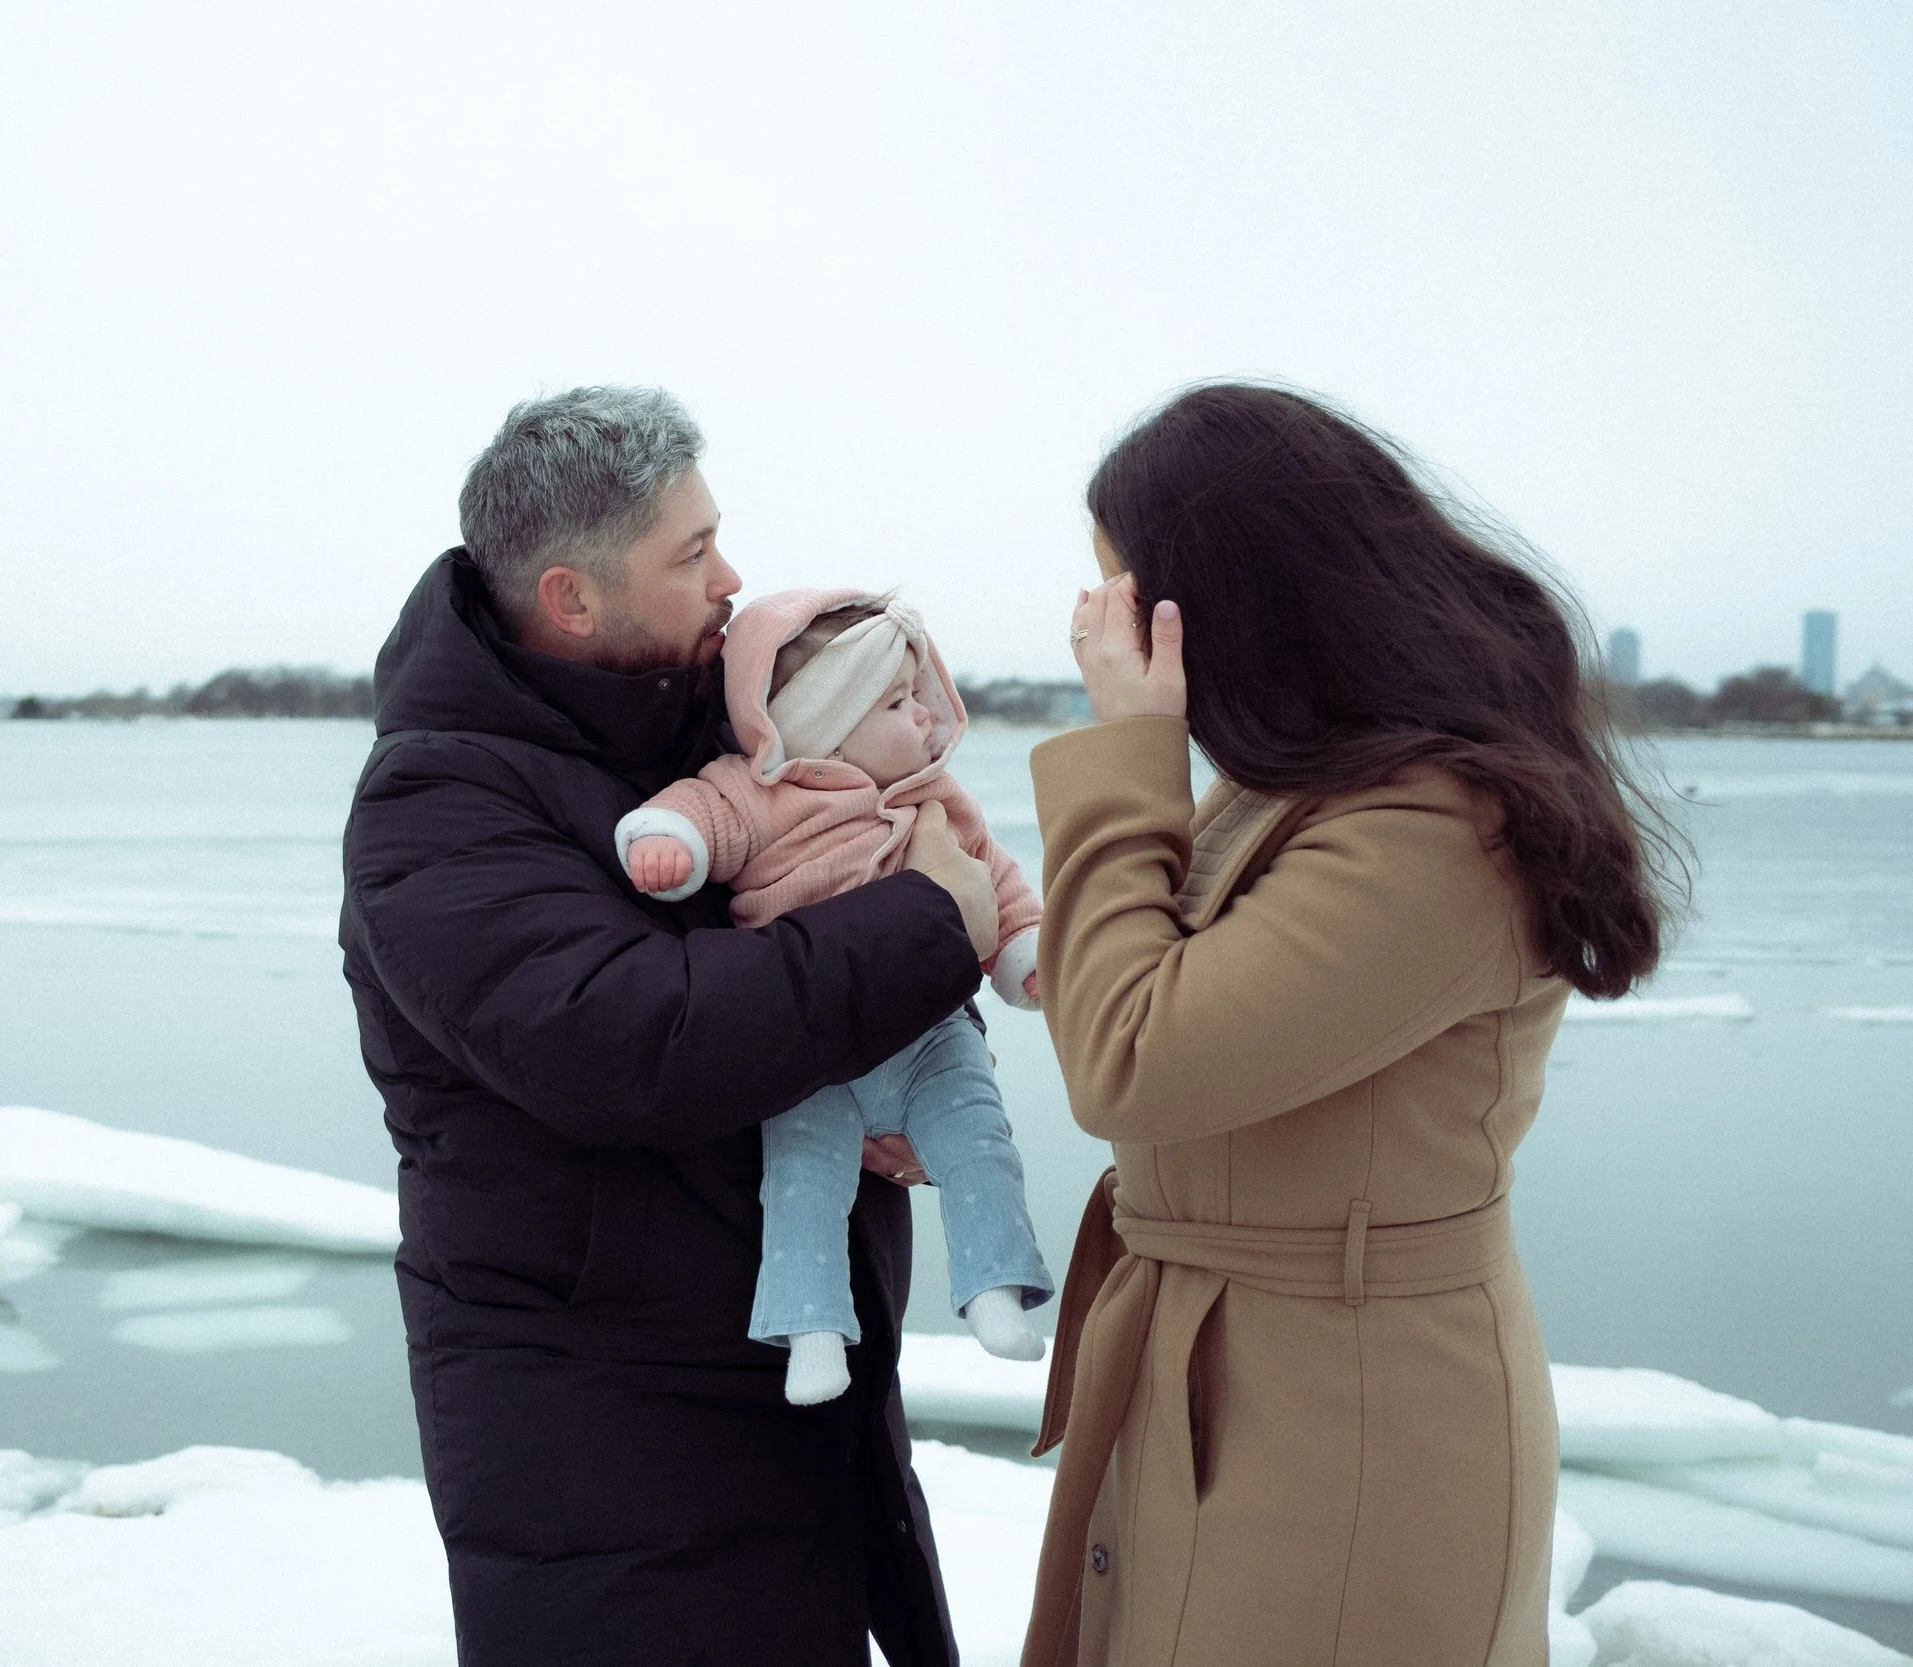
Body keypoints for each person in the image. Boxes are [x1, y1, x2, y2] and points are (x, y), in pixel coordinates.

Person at [338, 386, 1004, 1666]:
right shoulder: (437, 802)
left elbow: (814, 942)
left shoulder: (704, 738)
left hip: (783, 1386)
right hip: (603, 1439)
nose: (730, 577)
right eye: (690, 552)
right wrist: (929, 920)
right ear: (571, 597)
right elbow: (625, 1045)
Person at [1020, 384, 1677, 1667]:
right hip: (1228, 1360)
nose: (1098, 627)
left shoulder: (1438, 824)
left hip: (1343, 1415)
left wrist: (1127, 754)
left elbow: (1133, 1059)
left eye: (1120, 591)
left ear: (1230, 595)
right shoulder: (1300, 787)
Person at [616, 588, 1055, 1406]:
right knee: (804, 1182)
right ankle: (811, 1331)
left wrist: (1022, 955)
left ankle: (995, 1288)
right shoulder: (761, 790)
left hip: (931, 1035)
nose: (925, 719)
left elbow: (994, 880)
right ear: (826, 718)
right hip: (809, 1049)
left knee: (978, 1144)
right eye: (897, 702)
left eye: (921, 699)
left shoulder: (937, 799)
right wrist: (666, 842)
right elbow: (697, 813)